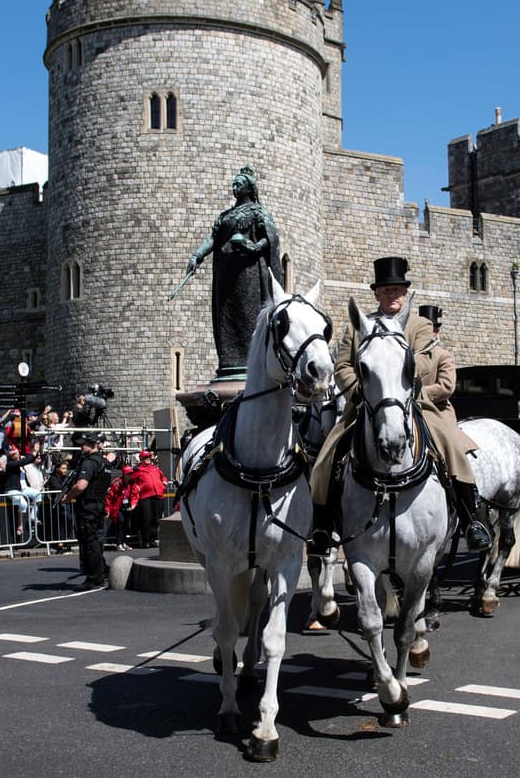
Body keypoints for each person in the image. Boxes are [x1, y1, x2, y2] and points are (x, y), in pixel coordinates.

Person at [312, 257, 490, 552]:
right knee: (326, 455)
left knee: (450, 445)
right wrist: (360, 391)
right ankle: (322, 524)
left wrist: (397, 366)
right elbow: (343, 365)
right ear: (377, 294)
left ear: (405, 293)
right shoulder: (358, 327)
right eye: (386, 291)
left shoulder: (420, 324)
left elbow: (427, 357)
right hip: (367, 404)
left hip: (414, 403)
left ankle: (472, 518)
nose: (392, 295)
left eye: (397, 290)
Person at [183, 164, 282, 380]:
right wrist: (197, 256)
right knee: (226, 320)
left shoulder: (258, 212)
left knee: (248, 316)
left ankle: (251, 363)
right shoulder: (226, 215)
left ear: (249, 188)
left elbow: (270, 238)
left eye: (239, 184)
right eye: (233, 184)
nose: (235, 188)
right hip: (225, 276)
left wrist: (253, 247)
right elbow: (213, 239)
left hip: (248, 276)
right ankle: (229, 363)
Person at [61, 431, 111, 590]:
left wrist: (68, 497)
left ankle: (94, 578)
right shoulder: (104, 462)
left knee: (89, 543)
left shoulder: (89, 462)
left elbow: (81, 485)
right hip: (98, 505)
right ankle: (100, 573)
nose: (81, 447)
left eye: (85, 444)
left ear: (93, 444)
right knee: (94, 541)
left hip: (88, 506)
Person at [129, 450, 168, 548]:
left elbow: (163, 478)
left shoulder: (155, 469)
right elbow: (130, 481)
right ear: (141, 459)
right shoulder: (137, 470)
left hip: (158, 495)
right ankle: (145, 540)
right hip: (145, 496)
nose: (148, 459)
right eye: (146, 457)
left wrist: (163, 482)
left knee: (156, 519)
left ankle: (153, 539)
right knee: (146, 519)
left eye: (149, 457)